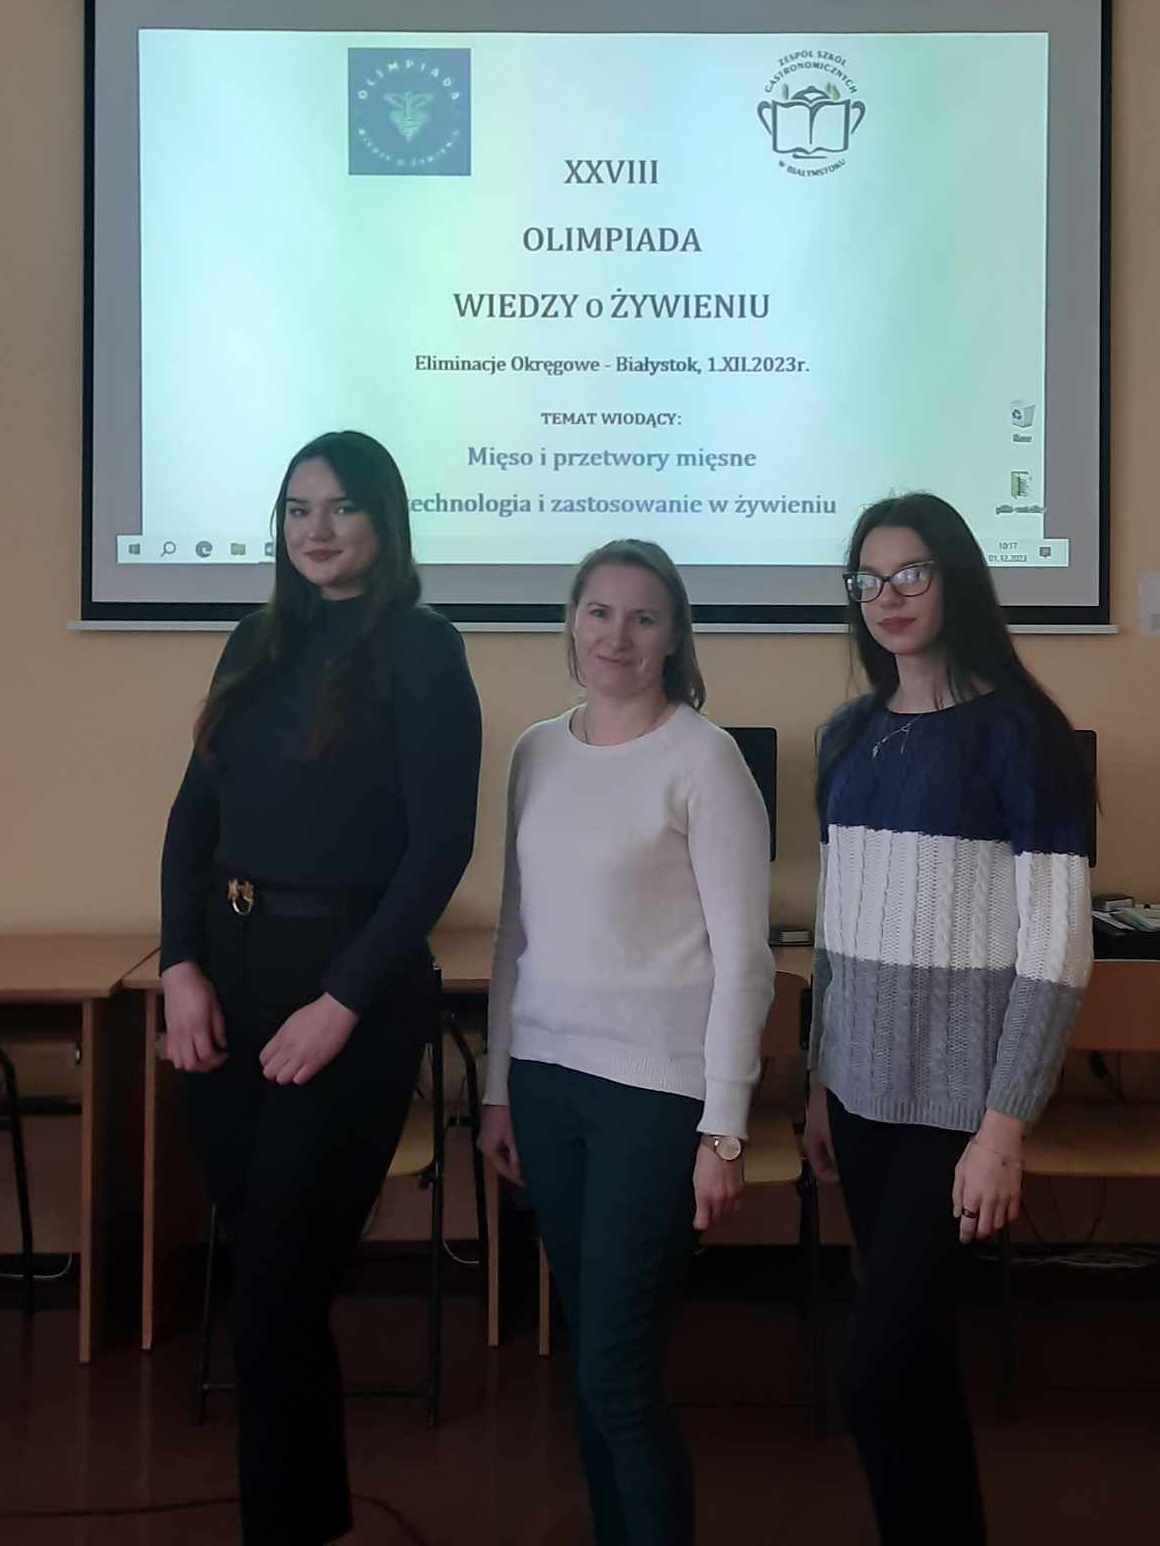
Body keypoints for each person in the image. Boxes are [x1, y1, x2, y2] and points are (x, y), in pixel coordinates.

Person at [160, 430, 481, 1545]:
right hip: (229, 981)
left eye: (341, 508)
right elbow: (192, 818)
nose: (317, 529)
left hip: (351, 999)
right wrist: (180, 963)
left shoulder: (425, 650)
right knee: (265, 1282)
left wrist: (340, 1002)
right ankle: (311, 1517)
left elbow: (438, 851)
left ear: (384, 521)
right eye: (297, 509)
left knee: (280, 1283)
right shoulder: (253, 643)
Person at [803, 492, 1093, 1544]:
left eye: (910, 573)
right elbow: (834, 935)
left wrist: (1003, 1128)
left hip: (957, 1118)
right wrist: (817, 1088)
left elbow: (1057, 951)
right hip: (860, 1104)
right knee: (916, 1369)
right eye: (867, 579)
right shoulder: (847, 737)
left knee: (875, 1373)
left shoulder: (1021, 735)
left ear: (956, 578)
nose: (887, 596)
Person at [479, 538, 775, 1546]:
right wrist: (496, 1086)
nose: (617, 635)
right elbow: (513, 930)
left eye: (643, 617)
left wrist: (724, 1128)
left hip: (653, 1098)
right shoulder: (535, 752)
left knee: (616, 1369)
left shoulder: (705, 758)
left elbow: (745, 958)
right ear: (570, 623)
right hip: (545, 1086)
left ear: (674, 637)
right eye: (599, 612)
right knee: (592, 1365)